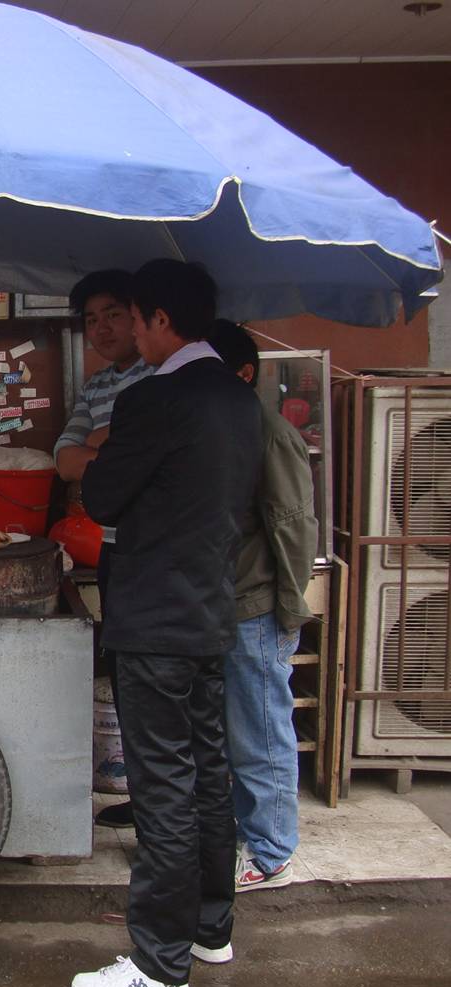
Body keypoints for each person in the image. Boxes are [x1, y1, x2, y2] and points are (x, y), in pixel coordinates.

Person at [73, 260, 262, 987]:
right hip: (210, 610)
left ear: (156, 319)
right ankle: (210, 928)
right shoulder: (239, 398)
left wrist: (105, 457)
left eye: (135, 320)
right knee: (207, 776)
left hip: (153, 618)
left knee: (163, 785)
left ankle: (157, 963)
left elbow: (99, 491)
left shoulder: (156, 396)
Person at [209, 319, 317, 893]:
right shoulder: (233, 429)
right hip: (228, 603)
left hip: (257, 606)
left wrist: (290, 606)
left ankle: (272, 852)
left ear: (242, 374)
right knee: (238, 730)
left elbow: (294, 526)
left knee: (262, 733)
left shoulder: (269, 432)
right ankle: (252, 834)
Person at [54, 269, 155, 831]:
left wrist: (102, 445)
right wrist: (103, 444)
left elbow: (143, 449)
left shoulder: (159, 373)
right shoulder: (95, 387)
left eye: (112, 315)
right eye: (91, 320)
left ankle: (170, 808)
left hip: (156, 548)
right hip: (113, 548)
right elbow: (64, 459)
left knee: (160, 679)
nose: (101, 328)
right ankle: (144, 798)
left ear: (139, 316)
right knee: (125, 674)